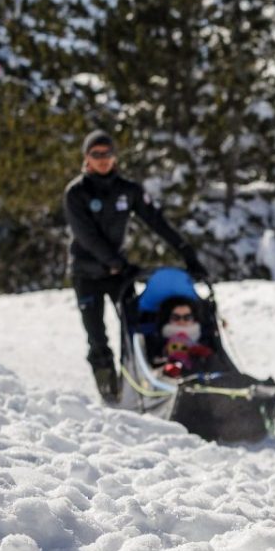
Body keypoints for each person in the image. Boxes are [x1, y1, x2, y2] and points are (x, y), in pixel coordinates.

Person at [64, 130, 206, 403]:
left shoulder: (127, 190)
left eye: (107, 153)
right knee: (97, 337)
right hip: (87, 273)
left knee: (134, 333)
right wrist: (117, 263)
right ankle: (110, 393)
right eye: (96, 154)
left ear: (115, 156)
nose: (103, 160)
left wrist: (187, 252)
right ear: (86, 158)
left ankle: (137, 385)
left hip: (119, 275)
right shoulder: (76, 193)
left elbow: (157, 221)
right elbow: (87, 237)